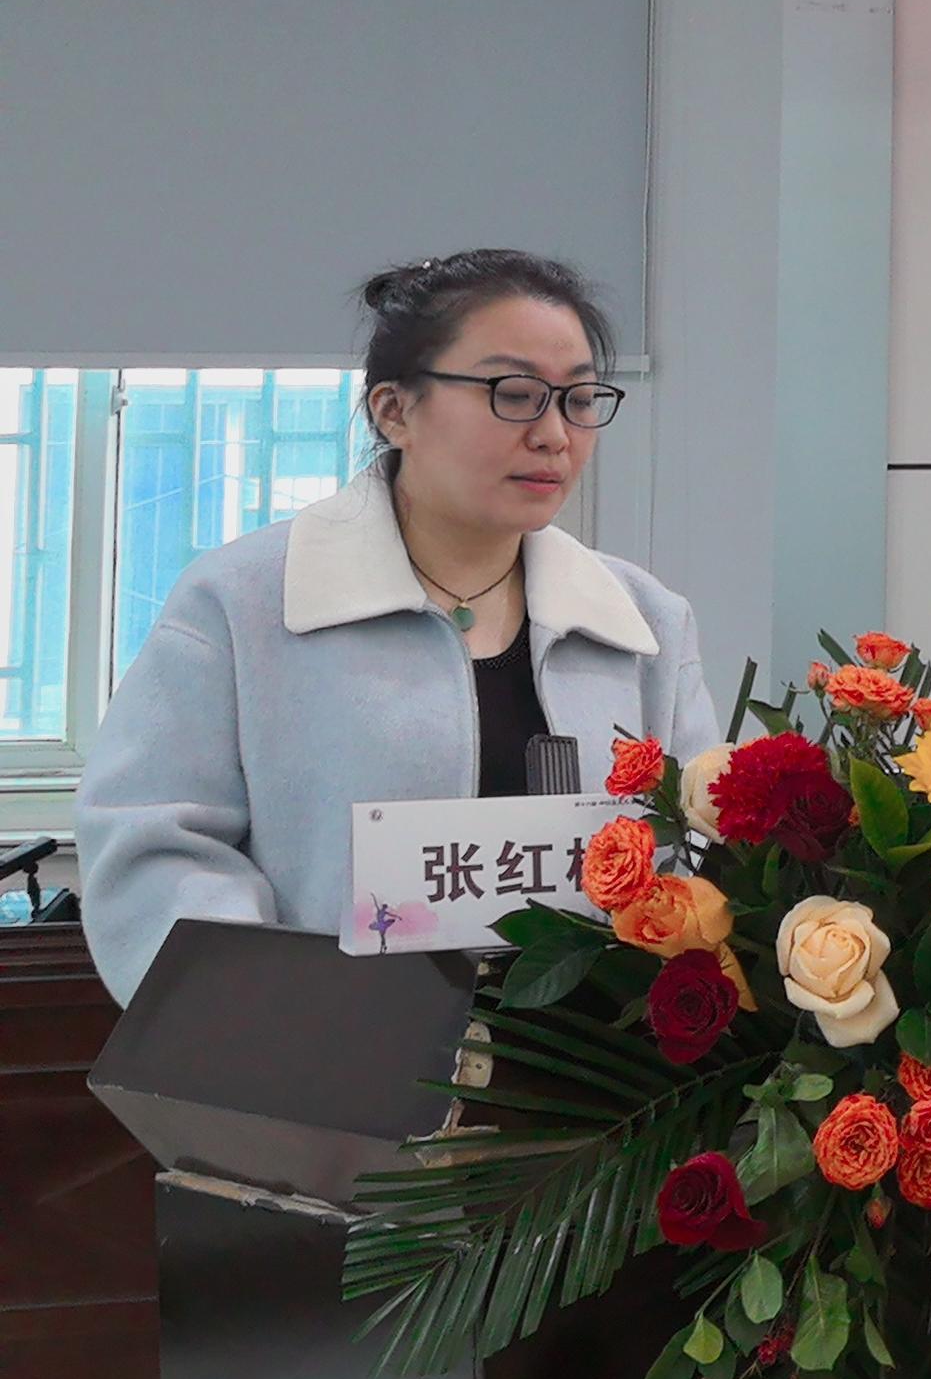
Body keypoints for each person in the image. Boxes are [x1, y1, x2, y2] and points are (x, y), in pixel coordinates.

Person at [75, 250, 722, 1001]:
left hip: (594, 1062)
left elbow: (697, 848)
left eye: (578, 399)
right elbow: (154, 846)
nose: (554, 434)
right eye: (514, 394)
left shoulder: (644, 620)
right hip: (329, 1055)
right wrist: (272, 1018)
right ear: (394, 410)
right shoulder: (242, 603)